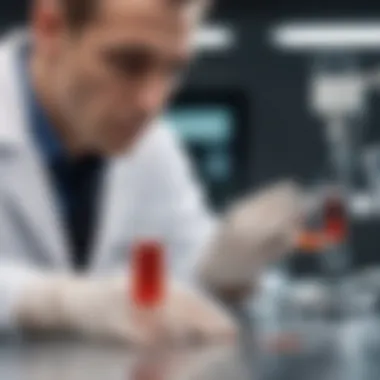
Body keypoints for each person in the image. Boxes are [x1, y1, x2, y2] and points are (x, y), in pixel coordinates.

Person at [0, 0, 303, 345]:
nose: (152, 102)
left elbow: (181, 268)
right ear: (50, 28)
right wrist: (50, 301)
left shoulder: (153, 145)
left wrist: (223, 274)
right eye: (128, 63)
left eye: (172, 70)